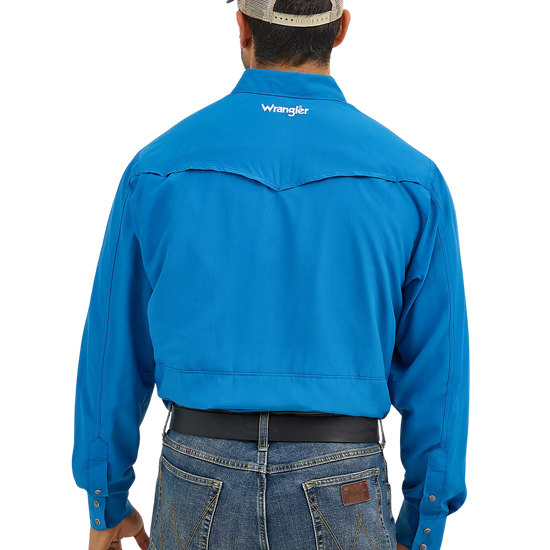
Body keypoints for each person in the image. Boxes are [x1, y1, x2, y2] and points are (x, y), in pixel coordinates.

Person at [71, 1, 472, 549]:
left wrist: (105, 501)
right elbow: (440, 369)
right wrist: (426, 520)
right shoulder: (413, 177)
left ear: (239, 25)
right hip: (343, 472)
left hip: (197, 466)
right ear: (343, 28)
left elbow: (112, 350)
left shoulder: (158, 165)